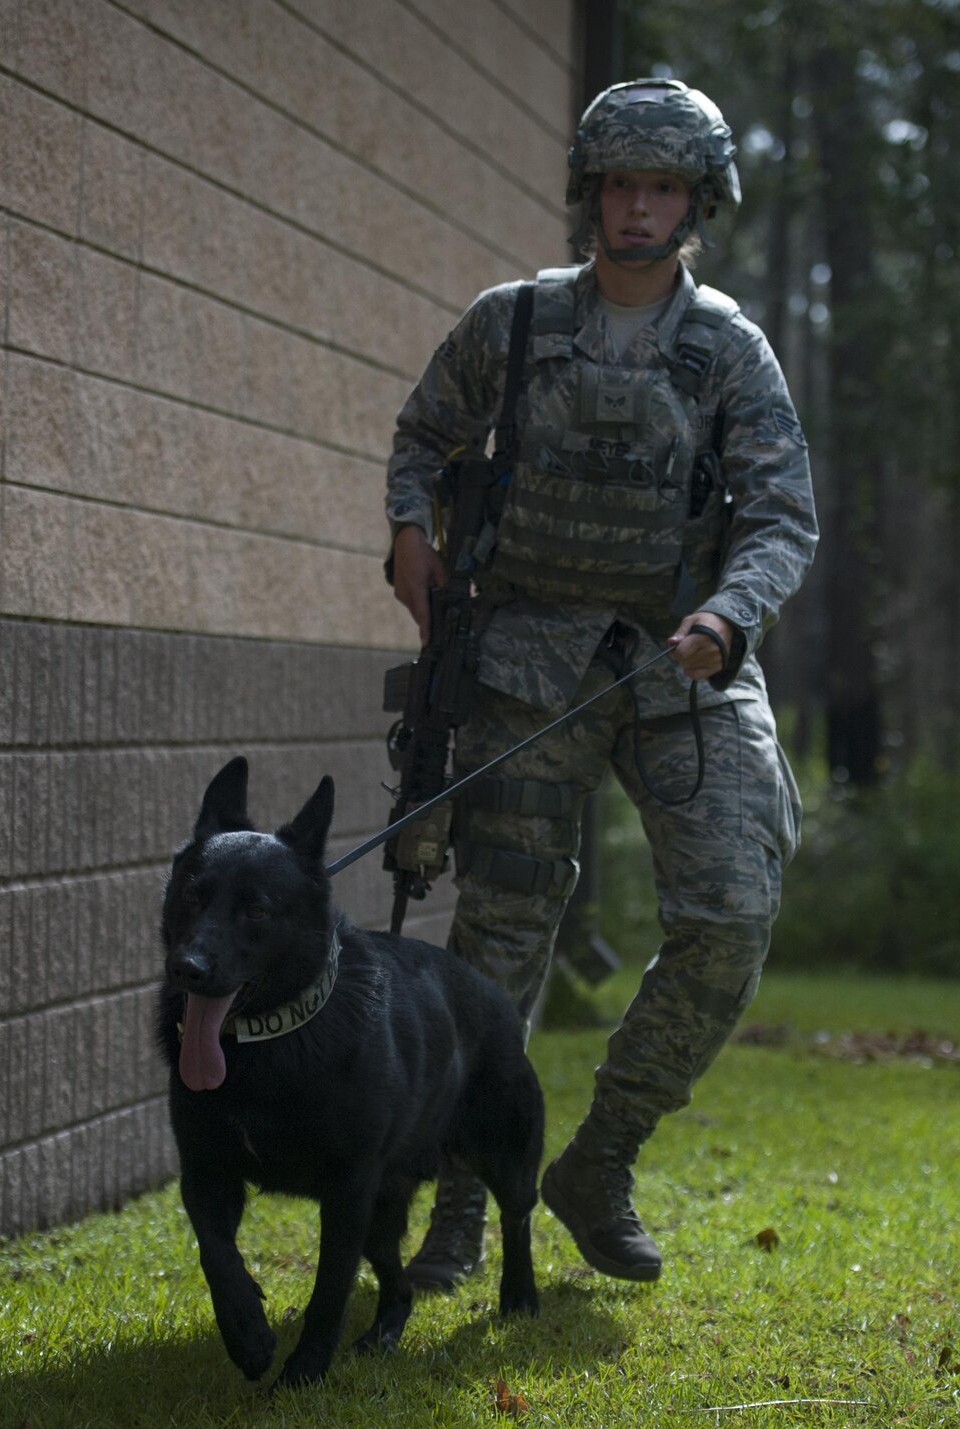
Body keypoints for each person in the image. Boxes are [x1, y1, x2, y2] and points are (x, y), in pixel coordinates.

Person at [384, 78, 816, 1285]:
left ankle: (600, 1160)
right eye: (620, 183)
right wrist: (409, 531)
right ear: (591, 192)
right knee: (497, 944)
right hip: (527, 666)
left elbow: (783, 515)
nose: (637, 207)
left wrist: (729, 615)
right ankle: (461, 1218)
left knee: (731, 912)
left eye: (662, 186)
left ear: (697, 200)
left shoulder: (726, 347)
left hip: (686, 664)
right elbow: (423, 437)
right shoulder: (510, 326)